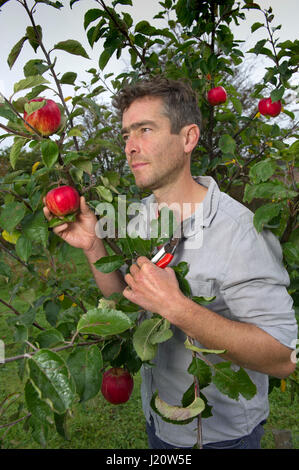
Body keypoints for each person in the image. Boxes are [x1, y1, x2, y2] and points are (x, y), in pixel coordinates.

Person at [43, 76, 297, 449]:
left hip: (221, 438)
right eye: (127, 134)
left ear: (188, 138)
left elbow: (284, 355)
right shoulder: (139, 218)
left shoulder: (241, 232)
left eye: (145, 130)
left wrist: (179, 309)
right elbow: (124, 303)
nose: (130, 147)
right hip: (158, 420)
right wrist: (93, 245)